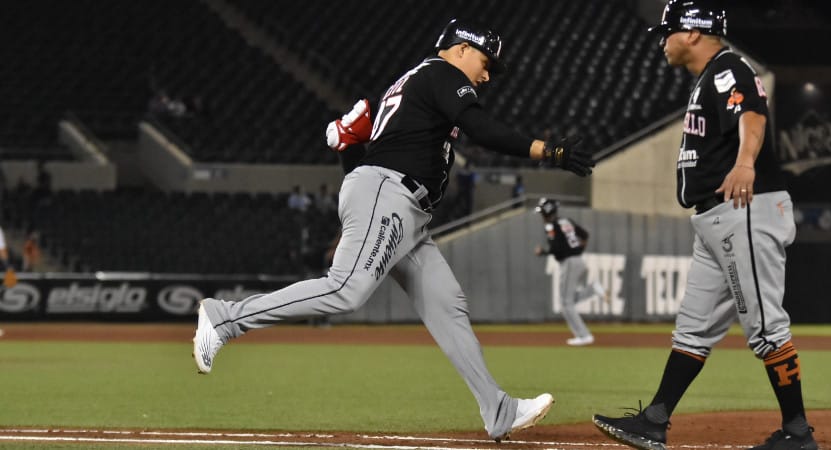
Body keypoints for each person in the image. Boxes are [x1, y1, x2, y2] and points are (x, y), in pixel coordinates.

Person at [192, 18, 593, 442]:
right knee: (346, 289)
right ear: (459, 49)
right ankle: (225, 318)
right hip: (389, 195)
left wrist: (348, 148)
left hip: (403, 208)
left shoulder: (417, 84)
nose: (488, 73)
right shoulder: (441, 73)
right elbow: (479, 129)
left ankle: (498, 408)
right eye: (485, 60)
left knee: (447, 305)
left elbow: (374, 155)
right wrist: (547, 151)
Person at [592, 2, 818, 450]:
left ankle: (797, 431)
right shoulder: (709, 76)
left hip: (745, 207)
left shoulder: (727, 67)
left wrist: (745, 163)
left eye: (669, 31)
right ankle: (654, 420)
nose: (662, 39)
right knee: (692, 329)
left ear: (693, 33)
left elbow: (753, 114)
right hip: (715, 218)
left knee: (767, 328)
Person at [533, 198, 606, 346]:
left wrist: (543, 252)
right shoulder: (566, 221)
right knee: (569, 300)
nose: (541, 216)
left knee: (565, 303)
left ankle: (584, 335)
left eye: (542, 212)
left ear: (547, 212)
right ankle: (593, 289)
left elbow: (556, 249)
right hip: (578, 260)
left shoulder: (551, 226)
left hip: (569, 262)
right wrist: (577, 251)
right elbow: (584, 235)